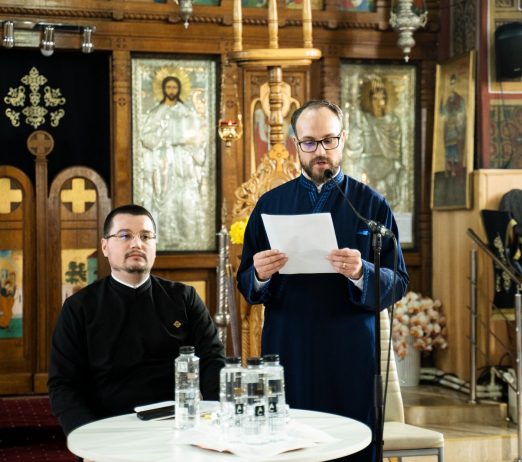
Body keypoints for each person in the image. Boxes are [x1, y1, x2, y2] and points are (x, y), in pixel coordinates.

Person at [237, 99, 409, 461]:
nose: (320, 151)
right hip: (289, 345)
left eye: (328, 141)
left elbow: (398, 280)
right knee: (289, 443)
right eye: (309, 142)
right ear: (295, 144)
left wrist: (362, 272)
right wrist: (261, 274)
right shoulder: (270, 204)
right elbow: (246, 281)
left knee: (352, 443)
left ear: (343, 139)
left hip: (350, 348)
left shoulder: (371, 205)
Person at [48, 204, 225, 436]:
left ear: (155, 245)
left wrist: (215, 421)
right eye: (125, 236)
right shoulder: (79, 307)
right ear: (105, 246)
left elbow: (212, 361)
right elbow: (63, 384)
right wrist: (87, 436)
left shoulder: (184, 298)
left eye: (145, 236)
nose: (136, 244)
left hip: (176, 425)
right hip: (107, 428)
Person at [139, 75, 207, 249]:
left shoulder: (187, 113)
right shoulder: (157, 113)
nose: (171, 91)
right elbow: (146, 138)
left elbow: (198, 138)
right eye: (168, 87)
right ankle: (163, 239)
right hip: (163, 164)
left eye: (174, 87)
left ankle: (188, 239)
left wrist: (183, 141)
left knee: (186, 198)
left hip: (184, 164)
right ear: (163, 89)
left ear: (179, 89)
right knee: (163, 200)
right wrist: (164, 139)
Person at [344, 75, 405, 209]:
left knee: (388, 205)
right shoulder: (363, 120)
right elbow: (353, 149)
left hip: (388, 169)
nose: (379, 103)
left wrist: (395, 170)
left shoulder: (392, 121)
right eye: (375, 99)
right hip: (366, 167)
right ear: (369, 100)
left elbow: (397, 151)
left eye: (382, 98)